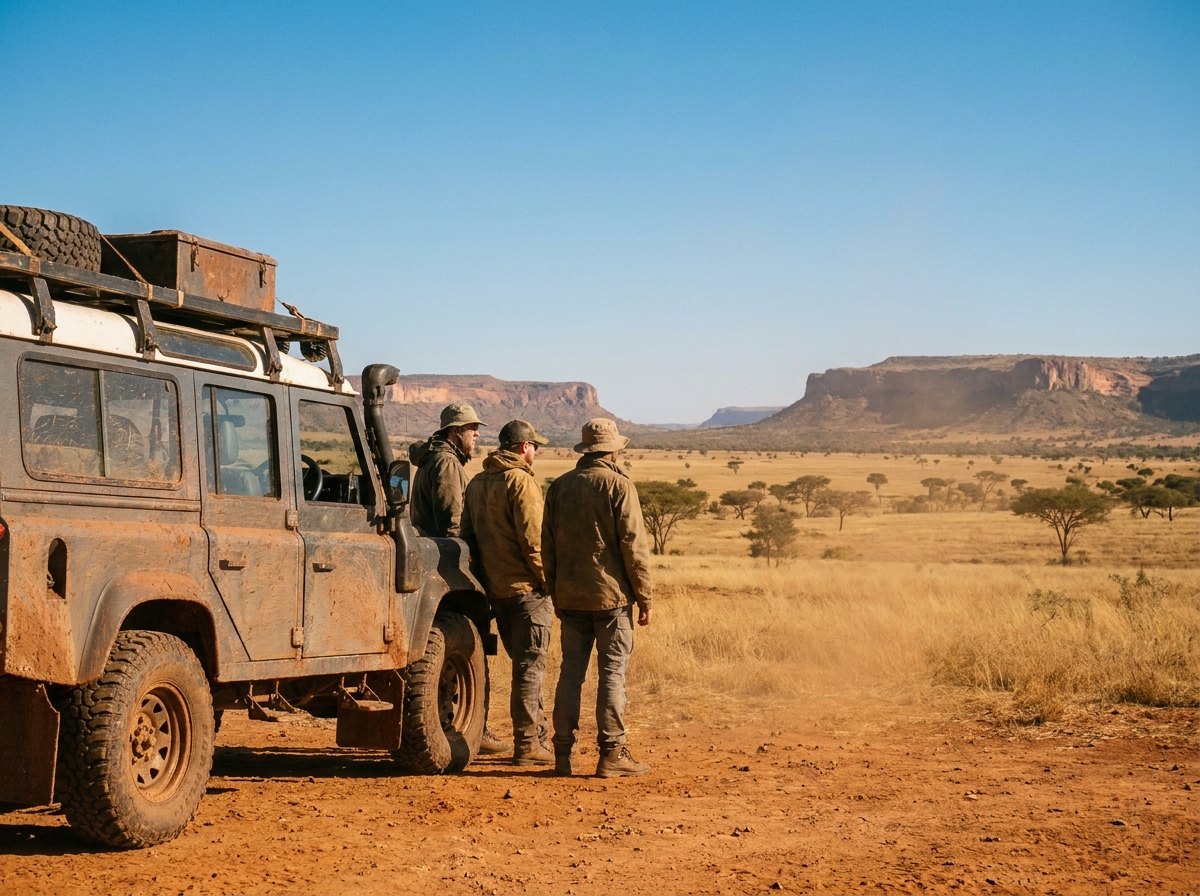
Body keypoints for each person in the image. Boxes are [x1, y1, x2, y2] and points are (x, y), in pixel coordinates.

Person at [542, 418, 653, 778]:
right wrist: (645, 597)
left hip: (570, 598)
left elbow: (548, 547)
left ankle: (562, 755)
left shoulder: (559, 487)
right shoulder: (619, 485)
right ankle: (612, 754)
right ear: (613, 449)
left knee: (569, 676)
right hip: (611, 600)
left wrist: (557, 593)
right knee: (612, 675)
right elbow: (634, 547)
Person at [408, 402, 509, 755]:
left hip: (429, 554)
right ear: (455, 432)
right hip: (445, 560)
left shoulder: (432, 459)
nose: (477, 435)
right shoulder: (448, 463)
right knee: (468, 646)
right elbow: (452, 519)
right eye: (471, 429)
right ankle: (473, 726)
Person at [461, 420, 554, 766]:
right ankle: (528, 744)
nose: (536, 452)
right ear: (522, 447)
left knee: (525, 665)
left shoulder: (477, 482)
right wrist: (549, 581)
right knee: (530, 669)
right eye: (534, 446)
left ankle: (537, 736)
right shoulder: (521, 482)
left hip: (496, 591)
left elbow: (467, 537)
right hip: (527, 589)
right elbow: (534, 543)